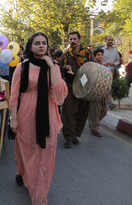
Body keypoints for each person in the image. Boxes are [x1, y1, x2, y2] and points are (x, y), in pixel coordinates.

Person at [9, 32, 67, 205]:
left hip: (47, 116)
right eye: (37, 43)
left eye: (44, 43)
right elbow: (14, 95)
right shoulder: (22, 67)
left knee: (44, 156)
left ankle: (39, 196)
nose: (41, 46)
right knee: (26, 151)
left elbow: (59, 95)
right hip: (25, 115)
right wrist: (13, 118)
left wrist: (50, 66)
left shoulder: (53, 67)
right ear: (30, 46)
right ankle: (23, 173)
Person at [60, 31, 92, 148]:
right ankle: (68, 137)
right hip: (69, 85)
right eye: (70, 39)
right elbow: (58, 67)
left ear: (79, 40)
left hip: (84, 86)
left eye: (74, 39)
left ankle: (75, 134)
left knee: (82, 111)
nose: (72, 41)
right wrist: (65, 67)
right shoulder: (66, 54)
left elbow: (94, 68)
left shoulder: (87, 53)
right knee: (68, 112)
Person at [87, 48, 110, 137]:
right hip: (95, 92)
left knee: (105, 110)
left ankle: (93, 122)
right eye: (98, 55)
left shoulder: (105, 66)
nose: (100, 56)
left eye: (101, 54)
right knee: (95, 110)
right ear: (94, 56)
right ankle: (94, 128)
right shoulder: (92, 66)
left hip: (105, 91)